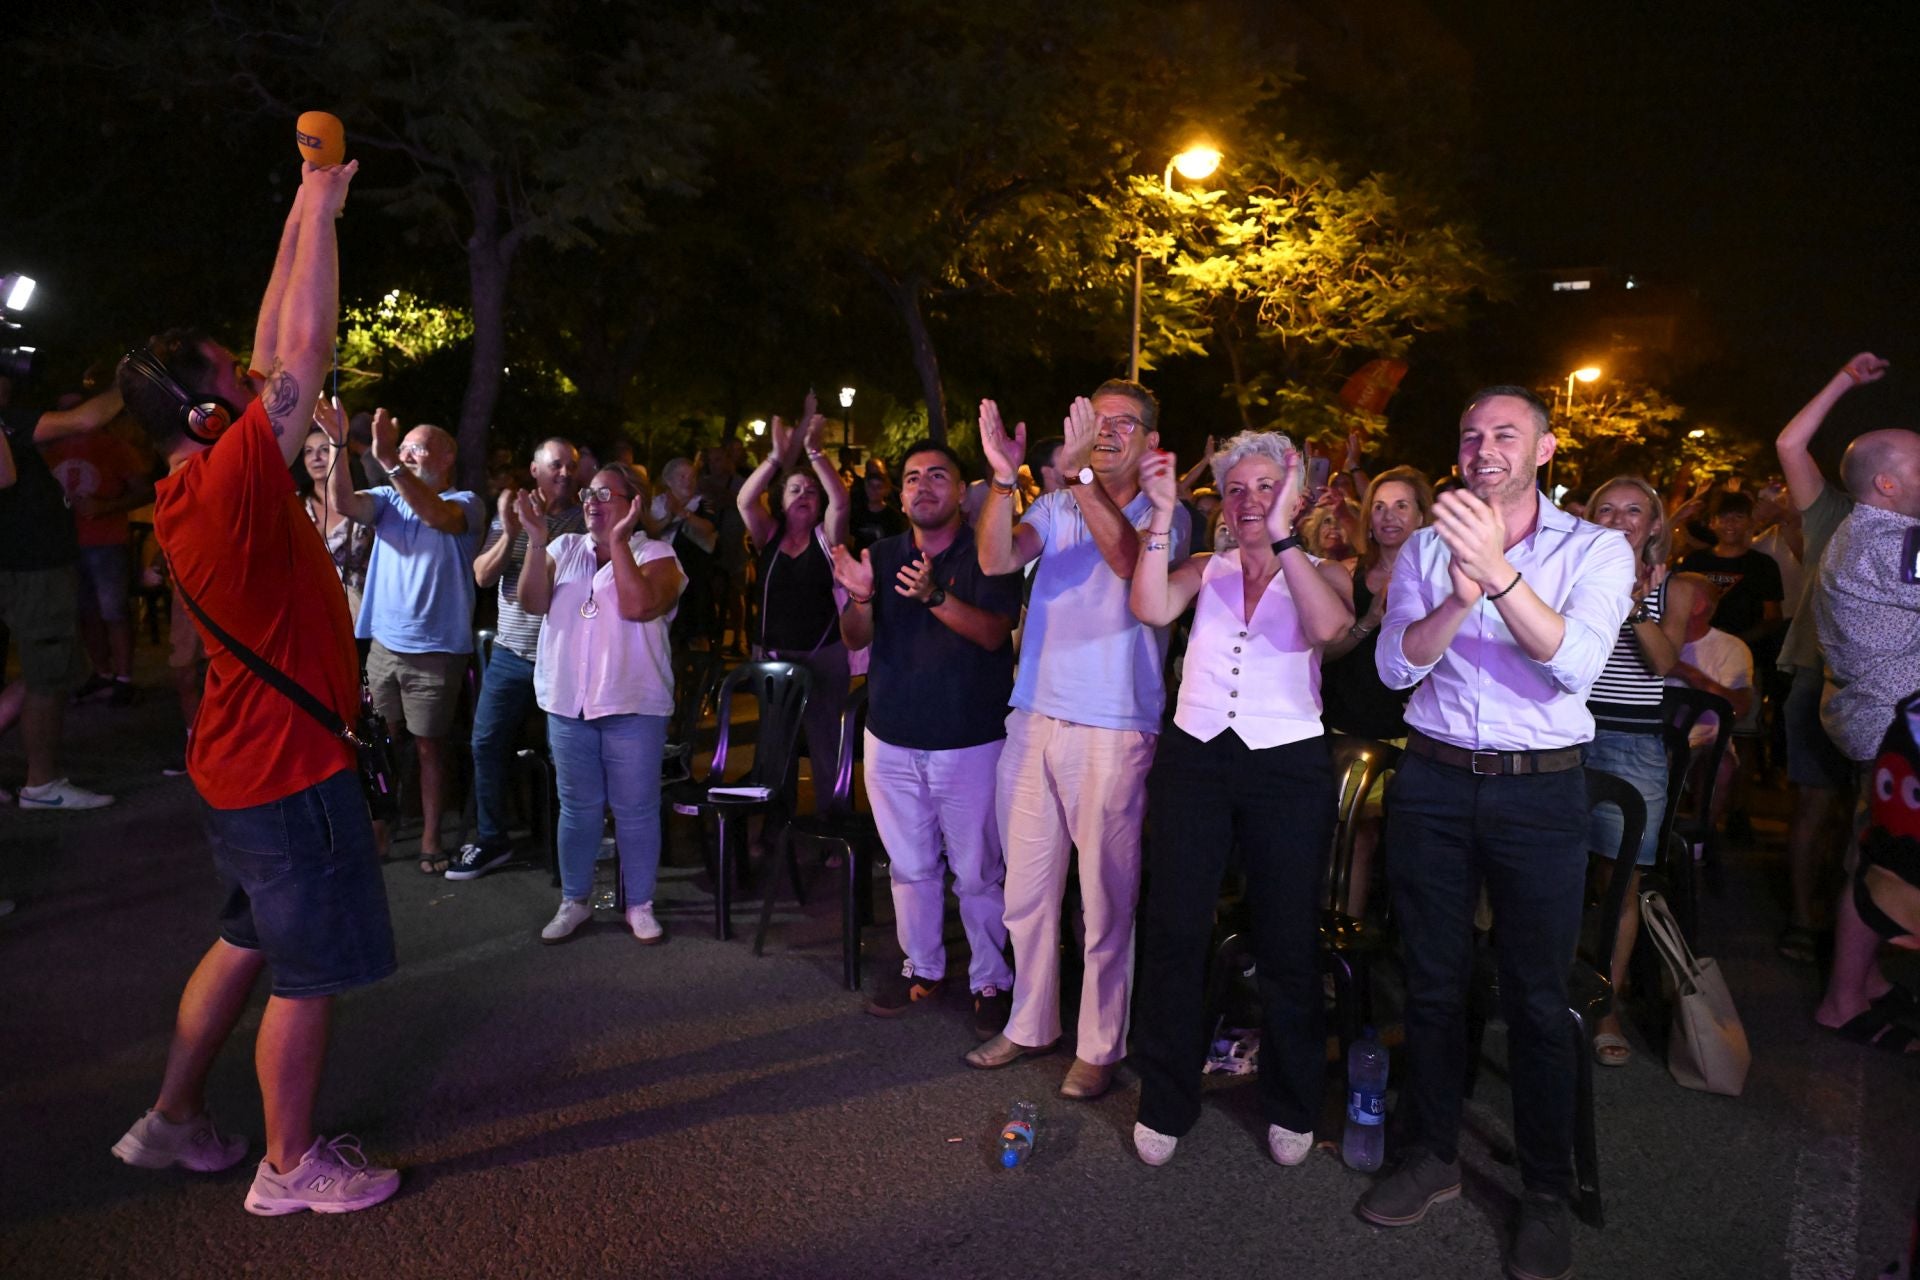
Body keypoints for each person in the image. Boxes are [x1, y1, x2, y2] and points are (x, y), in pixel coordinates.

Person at [110, 160, 400, 1214]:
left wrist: (304, 200)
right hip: (288, 771)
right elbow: (304, 352)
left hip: (241, 766)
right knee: (307, 972)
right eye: (232, 378)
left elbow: (279, 347)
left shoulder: (198, 479)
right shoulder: (230, 479)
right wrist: (320, 210)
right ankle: (290, 1165)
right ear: (202, 414)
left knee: (242, 940)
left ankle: (173, 1116)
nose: (255, 379)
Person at [1363, 385, 1634, 1280]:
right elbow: (1395, 667)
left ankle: (1545, 1193)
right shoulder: (1426, 547)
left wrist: (1502, 577)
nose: (1485, 447)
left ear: (1545, 450)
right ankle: (1433, 1153)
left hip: (1540, 792)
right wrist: (1457, 596)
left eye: (1506, 434)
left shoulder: (1595, 548)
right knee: (1432, 984)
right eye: (1472, 433)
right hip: (1435, 781)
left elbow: (1576, 665)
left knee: (1536, 997)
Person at [1125, 430, 1353, 1168]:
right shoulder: (1204, 566)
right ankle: (1165, 1098)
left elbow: (1330, 629)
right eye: (1236, 489)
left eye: (1265, 487)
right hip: (1195, 756)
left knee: (1287, 935)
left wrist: (1284, 539)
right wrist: (1163, 515)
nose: (1249, 501)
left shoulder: (1325, 571)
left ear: (1295, 497)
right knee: (1175, 927)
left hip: (1287, 763)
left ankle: (1291, 1102)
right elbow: (1150, 606)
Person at [965, 382, 1191, 1101]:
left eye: (1125, 422)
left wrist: (1081, 475)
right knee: (1026, 892)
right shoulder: (1058, 504)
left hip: (1113, 725)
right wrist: (1005, 481)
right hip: (1034, 714)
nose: (1109, 431)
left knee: (1105, 900)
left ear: (1151, 441)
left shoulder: (1167, 512)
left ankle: (1100, 1044)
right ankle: (1030, 1022)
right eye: (1099, 419)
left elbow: (1129, 562)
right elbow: (997, 559)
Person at [830, 440, 1021, 1038]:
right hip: (891, 738)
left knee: (978, 872)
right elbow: (854, 638)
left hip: (969, 741)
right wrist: (862, 596)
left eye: (938, 476)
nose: (923, 486)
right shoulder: (884, 554)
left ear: (961, 491)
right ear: (901, 494)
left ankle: (991, 979)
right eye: (912, 477)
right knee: (910, 867)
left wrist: (935, 596)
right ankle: (923, 966)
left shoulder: (989, 552)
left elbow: (994, 634)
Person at [515, 463, 685, 943]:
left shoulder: (658, 554)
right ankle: (575, 901)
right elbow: (532, 602)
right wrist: (534, 540)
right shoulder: (564, 548)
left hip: (632, 703)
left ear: (634, 502)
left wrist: (619, 542)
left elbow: (637, 605)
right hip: (569, 702)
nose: (592, 500)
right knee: (577, 808)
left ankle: (640, 904)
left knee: (635, 809)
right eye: (589, 493)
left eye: (606, 494)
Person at [1811, 370, 1920, 1055]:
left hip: (1883, 719)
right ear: (1887, 484)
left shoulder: (1875, 535)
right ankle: (1842, 1001)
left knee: (1874, 852)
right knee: (1888, 865)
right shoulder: (1894, 544)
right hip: (1893, 725)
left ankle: (1865, 980)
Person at [328, 409, 487, 874]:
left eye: (417, 448)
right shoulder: (387, 499)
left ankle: (431, 836)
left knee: (428, 746)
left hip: (436, 651)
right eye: (404, 449)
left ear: (447, 456)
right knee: (380, 743)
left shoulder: (466, 503)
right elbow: (343, 502)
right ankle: (380, 829)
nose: (408, 455)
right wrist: (339, 444)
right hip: (384, 645)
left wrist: (389, 462)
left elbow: (436, 515)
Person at [1581, 477, 1695, 1068]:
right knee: (1542, 870)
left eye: (1634, 510)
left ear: (1654, 525)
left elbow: (1664, 660)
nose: (1620, 519)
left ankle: (1605, 1006)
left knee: (1618, 881)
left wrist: (1630, 605)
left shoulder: (1675, 587)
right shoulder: (1571, 574)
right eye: (1606, 509)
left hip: (1630, 744)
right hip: (1564, 735)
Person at [1774, 356, 1880, 963]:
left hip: (1895, 695)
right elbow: (1790, 443)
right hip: (1821, 680)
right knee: (1816, 804)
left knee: (1868, 814)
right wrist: (1843, 379)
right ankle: (1801, 916)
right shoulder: (1834, 513)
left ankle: (1853, 930)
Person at [451, 437, 583, 880]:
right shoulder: (514, 513)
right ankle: (493, 839)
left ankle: (566, 845)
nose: (565, 473)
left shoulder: (583, 519)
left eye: (571, 466)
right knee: (486, 743)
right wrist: (511, 532)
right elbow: (483, 576)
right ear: (535, 470)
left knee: (564, 753)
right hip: (512, 654)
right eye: (556, 465)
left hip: (563, 658)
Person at [0, 374, 123, 809]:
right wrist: (133, 378)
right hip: (31, 567)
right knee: (46, 676)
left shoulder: (10, 421)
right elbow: (85, 419)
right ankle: (41, 785)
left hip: (31, 564)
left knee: (50, 671)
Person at [1318, 465, 1435, 915]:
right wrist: (1369, 622)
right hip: (1350, 724)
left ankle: (1396, 937)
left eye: (1402, 506)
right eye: (1380, 507)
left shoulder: (1442, 578)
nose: (1390, 516)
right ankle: (1340, 935)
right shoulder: (1346, 573)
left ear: (1421, 516)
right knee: (1354, 835)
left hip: (1414, 731)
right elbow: (1323, 653)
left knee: (1413, 845)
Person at [737, 407, 852, 809]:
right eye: (795, 490)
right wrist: (774, 457)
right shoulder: (768, 534)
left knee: (825, 744)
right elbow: (744, 500)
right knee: (775, 744)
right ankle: (776, 824)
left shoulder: (826, 536)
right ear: (781, 500)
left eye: (810, 491)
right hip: (775, 657)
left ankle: (830, 823)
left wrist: (815, 454)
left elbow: (841, 502)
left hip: (823, 654)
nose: (803, 495)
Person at [43, 412, 153, 704]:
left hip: (107, 543)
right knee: (85, 611)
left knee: (113, 610)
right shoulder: (51, 451)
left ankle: (124, 678)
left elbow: (146, 491)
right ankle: (102, 672)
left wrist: (106, 507)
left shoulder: (113, 447)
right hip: (67, 546)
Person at [1678, 488, 1783, 644]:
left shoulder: (1763, 565)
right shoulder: (1694, 561)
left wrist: (1735, 642)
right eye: (1723, 517)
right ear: (1712, 523)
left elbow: (1773, 618)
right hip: (1696, 648)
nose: (1730, 523)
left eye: (1738, 517)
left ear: (1750, 523)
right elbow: (1679, 607)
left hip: (1747, 651)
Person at [295, 422, 373, 622]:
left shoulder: (365, 504)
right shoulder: (294, 505)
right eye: (308, 451)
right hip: (304, 613)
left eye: (324, 450)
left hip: (354, 615)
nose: (316, 457)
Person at [646, 455, 719, 646]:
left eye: (692, 476)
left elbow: (707, 528)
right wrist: (669, 517)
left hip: (695, 578)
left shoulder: (703, 503)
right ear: (668, 480)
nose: (688, 481)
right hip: (665, 576)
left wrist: (682, 512)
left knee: (697, 632)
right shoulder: (655, 505)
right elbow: (650, 531)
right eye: (682, 476)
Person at [848, 456, 905, 552]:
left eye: (878, 487)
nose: (874, 490)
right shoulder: (857, 512)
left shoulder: (894, 516)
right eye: (871, 486)